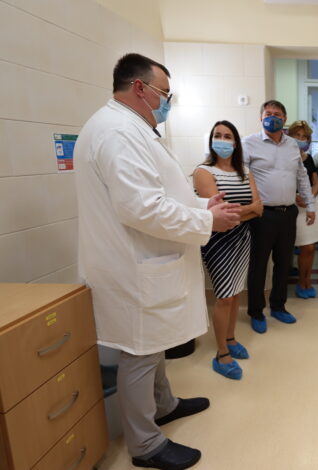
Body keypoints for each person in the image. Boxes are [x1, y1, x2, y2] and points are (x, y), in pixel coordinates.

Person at [75, 53, 241, 470]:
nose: (168, 101)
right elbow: (141, 208)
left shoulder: (133, 129)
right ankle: (145, 444)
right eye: (165, 93)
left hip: (145, 258)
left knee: (154, 343)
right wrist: (208, 220)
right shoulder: (117, 132)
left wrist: (203, 205)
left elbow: (163, 194)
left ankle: (164, 404)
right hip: (132, 265)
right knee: (140, 351)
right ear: (140, 88)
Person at [193, 120, 263, 380]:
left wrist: (241, 212)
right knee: (223, 296)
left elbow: (259, 208)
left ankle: (231, 339)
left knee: (235, 294)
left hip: (242, 238)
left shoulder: (245, 171)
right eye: (217, 135)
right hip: (217, 240)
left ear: (235, 142)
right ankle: (221, 353)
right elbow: (217, 213)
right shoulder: (203, 172)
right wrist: (248, 210)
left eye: (227, 136)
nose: (222, 140)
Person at [243, 100, 315, 334]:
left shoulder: (292, 145)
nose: (272, 117)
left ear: (284, 119)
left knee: (284, 264)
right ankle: (256, 311)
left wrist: (310, 205)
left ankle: (278, 307)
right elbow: (241, 176)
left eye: (277, 114)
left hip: (288, 213)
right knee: (258, 266)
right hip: (262, 215)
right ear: (261, 117)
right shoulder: (248, 143)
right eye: (268, 113)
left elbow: (302, 176)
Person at [288, 120, 318, 299]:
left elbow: (316, 183)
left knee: (311, 248)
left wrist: (309, 198)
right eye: (297, 135)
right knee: (305, 246)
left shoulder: (309, 158)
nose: (301, 139)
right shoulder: (285, 157)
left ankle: (307, 280)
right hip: (293, 205)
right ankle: (300, 281)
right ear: (290, 137)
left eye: (304, 137)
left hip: (311, 204)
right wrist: (296, 198)